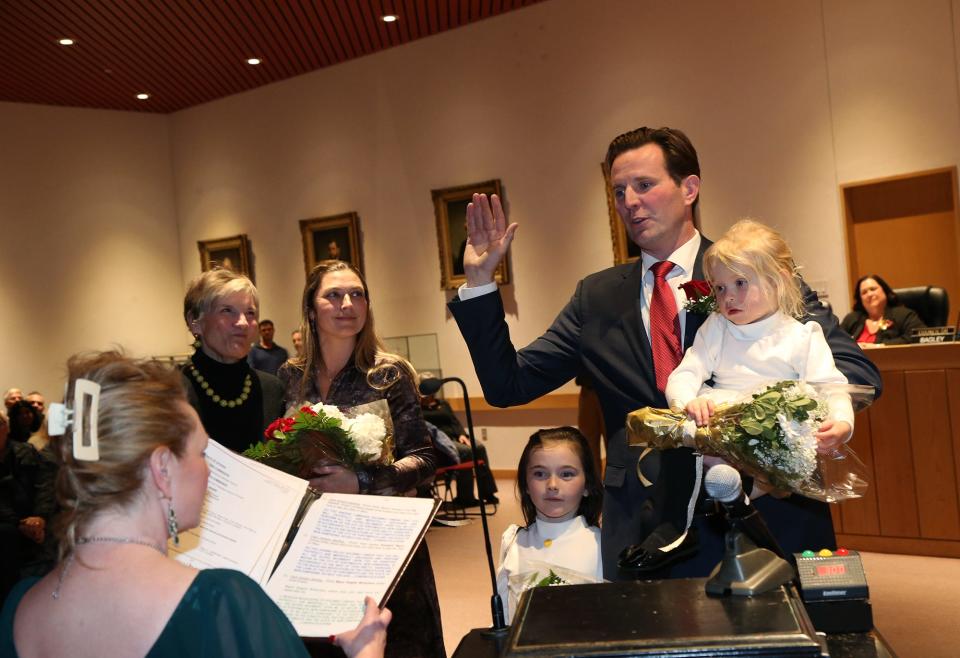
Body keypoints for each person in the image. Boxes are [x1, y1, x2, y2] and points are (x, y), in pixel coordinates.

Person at [448, 126, 882, 579]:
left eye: (644, 185)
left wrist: (765, 433)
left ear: (689, 188)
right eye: (618, 191)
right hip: (642, 524)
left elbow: (853, 368)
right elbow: (507, 384)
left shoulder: (746, 269)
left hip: (756, 512)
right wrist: (479, 284)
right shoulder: (595, 298)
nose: (629, 201)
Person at [0, 352, 390, 658]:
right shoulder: (220, 602)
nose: (209, 472)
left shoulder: (20, 606)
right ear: (162, 467)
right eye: (203, 453)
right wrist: (366, 651)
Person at [277, 260, 444, 658]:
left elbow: (424, 459)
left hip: (381, 538)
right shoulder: (288, 377)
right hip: (315, 541)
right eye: (333, 295)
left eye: (357, 294)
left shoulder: (387, 374)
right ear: (311, 308)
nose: (347, 303)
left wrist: (362, 482)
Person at [659, 219, 854, 558]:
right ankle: (738, 487)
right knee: (693, 434)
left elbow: (832, 386)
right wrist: (687, 401)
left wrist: (842, 423)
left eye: (740, 283)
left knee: (788, 439)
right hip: (726, 421)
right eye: (719, 288)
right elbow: (684, 374)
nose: (728, 296)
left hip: (775, 427)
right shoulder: (716, 328)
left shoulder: (801, 336)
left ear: (777, 281)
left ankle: (750, 488)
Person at [496, 427, 603, 623]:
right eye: (540, 474)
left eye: (567, 474)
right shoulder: (513, 540)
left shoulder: (601, 543)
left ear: (587, 486)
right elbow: (504, 615)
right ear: (526, 485)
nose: (552, 484)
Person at [181, 268, 285, 453]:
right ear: (194, 321)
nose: (243, 323)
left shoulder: (272, 389)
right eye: (227, 310)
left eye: (250, 313)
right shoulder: (173, 393)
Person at [418, 372, 498, 506]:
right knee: (467, 451)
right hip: (441, 442)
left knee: (479, 447)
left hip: (456, 437)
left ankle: (488, 492)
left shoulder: (443, 403)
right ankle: (465, 497)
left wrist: (462, 434)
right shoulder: (418, 407)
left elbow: (454, 422)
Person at [841, 274, 927, 346]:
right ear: (860, 299)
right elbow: (835, 342)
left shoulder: (903, 315)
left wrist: (879, 346)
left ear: (884, 291)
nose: (869, 294)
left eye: (873, 289)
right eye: (864, 292)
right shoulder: (852, 319)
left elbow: (919, 338)